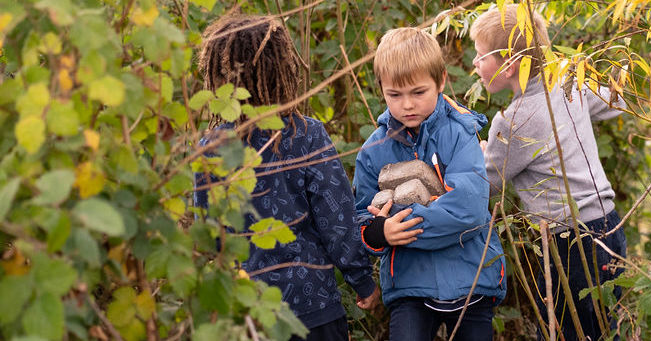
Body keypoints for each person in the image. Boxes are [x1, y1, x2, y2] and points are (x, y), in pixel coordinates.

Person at [193, 14, 380, 341]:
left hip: (246, 311)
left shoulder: (209, 149)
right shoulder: (307, 134)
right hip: (313, 307)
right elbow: (337, 220)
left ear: (219, 77)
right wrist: (362, 281)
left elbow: (208, 236)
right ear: (282, 68)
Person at [469, 4, 628, 340]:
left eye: (481, 55)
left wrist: (483, 154)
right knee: (605, 328)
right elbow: (617, 102)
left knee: (565, 331)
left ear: (509, 65)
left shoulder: (513, 122)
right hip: (610, 226)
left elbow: (485, 184)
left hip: (570, 243)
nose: (475, 63)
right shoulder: (569, 86)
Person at [354, 27, 506, 340]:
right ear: (381, 90)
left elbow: (468, 211)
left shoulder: (460, 133)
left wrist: (399, 226)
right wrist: (380, 232)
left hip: (471, 279)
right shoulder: (372, 151)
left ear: (440, 82)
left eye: (418, 92)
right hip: (409, 287)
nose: (407, 105)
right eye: (395, 95)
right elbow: (360, 220)